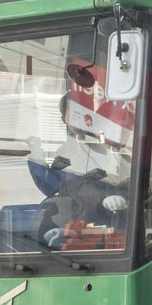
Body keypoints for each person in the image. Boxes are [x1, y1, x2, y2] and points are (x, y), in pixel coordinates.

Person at [35, 93, 132, 249]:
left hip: (124, 226)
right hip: (88, 221)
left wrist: (125, 197)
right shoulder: (71, 152)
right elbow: (68, 185)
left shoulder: (130, 155)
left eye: (120, 126)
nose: (114, 131)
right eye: (72, 115)